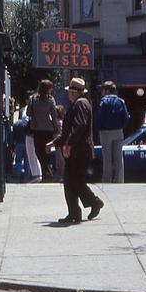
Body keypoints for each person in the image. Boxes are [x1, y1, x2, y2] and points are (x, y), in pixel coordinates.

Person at [50, 78, 104, 224]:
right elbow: (69, 130)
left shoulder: (80, 104)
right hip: (78, 150)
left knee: (74, 181)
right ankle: (75, 212)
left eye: (69, 92)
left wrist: (68, 144)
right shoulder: (80, 104)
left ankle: (93, 202)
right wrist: (57, 142)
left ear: (73, 92)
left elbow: (79, 126)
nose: (68, 94)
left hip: (80, 151)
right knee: (71, 181)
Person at [96, 81, 130, 183]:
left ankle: (107, 180)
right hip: (118, 131)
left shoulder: (103, 102)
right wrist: (122, 126)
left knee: (107, 158)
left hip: (105, 131)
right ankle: (119, 180)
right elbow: (126, 118)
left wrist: (99, 128)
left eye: (102, 90)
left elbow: (99, 117)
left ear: (106, 90)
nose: (101, 93)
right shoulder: (121, 101)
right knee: (119, 157)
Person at [26, 80, 58, 182]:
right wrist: (55, 128)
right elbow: (54, 115)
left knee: (39, 152)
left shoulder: (33, 99)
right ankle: (47, 172)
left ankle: (46, 172)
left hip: (37, 129)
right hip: (48, 129)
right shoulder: (51, 100)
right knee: (47, 151)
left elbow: (28, 113)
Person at [11, 113, 31, 181]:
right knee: (27, 161)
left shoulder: (16, 124)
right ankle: (26, 178)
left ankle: (18, 176)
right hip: (27, 144)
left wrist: (12, 144)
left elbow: (12, 135)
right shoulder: (30, 123)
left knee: (18, 161)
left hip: (18, 144)